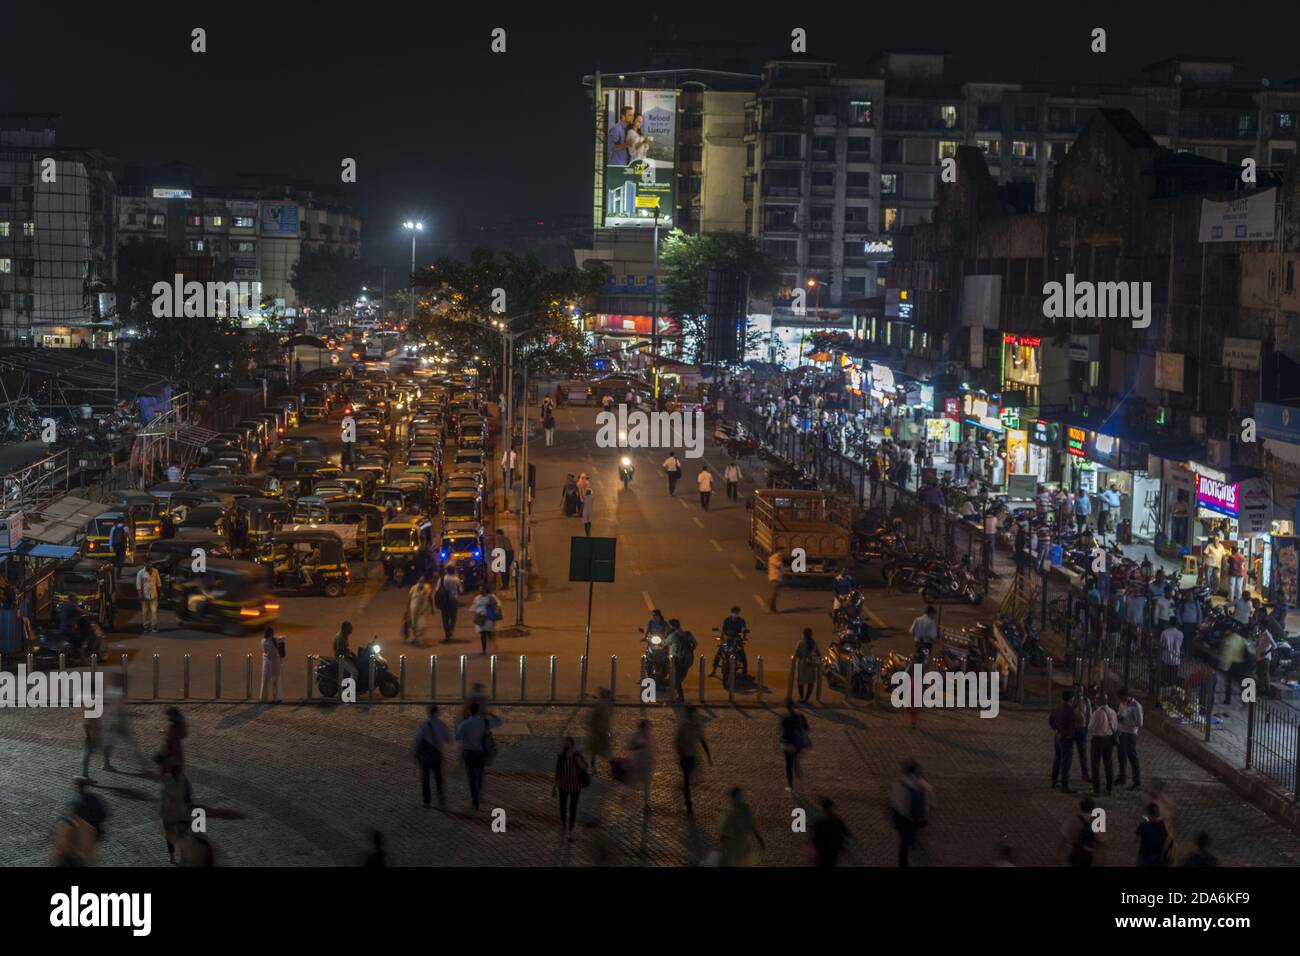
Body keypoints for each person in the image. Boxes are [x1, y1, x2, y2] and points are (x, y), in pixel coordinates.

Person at [454, 701, 501, 812]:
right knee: (479, 775)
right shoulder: (484, 723)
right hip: (480, 753)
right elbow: (499, 722)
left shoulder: (465, 724)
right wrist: (490, 713)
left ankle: (475, 802)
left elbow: (457, 737)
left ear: (469, 711)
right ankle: (479, 795)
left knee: (471, 777)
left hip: (469, 753)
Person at [889, 760, 931, 868]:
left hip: (903, 818)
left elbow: (894, 801)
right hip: (915, 819)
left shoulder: (900, 784)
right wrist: (924, 816)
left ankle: (904, 861)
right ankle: (911, 843)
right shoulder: (923, 785)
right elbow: (926, 802)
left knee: (903, 843)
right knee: (910, 837)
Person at [673, 707, 712, 815]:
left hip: (692, 757)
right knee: (687, 781)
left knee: (693, 779)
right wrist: (681, 753)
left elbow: (702, 740)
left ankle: (685, 791)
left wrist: (708, 756)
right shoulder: (684, 727)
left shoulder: (696, 726)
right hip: (686, 757)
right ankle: (689, 804)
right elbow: (677, 742)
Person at [412, 704, 450, 810]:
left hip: (425, 757)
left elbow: (417, 741)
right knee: (439, 778)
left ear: (428, 712)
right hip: (437, 755)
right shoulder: (443, 725)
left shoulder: (423, 725)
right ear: (437, 712)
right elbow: (447, 739)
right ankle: (441, 800)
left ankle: (426, 801)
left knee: (425, 778)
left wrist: (414, 753)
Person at [158, 755, 193, 864]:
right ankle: (183, 857)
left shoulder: (166, 780)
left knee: (170, 834)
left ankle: (172, 856)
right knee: (182, 835)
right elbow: (189, 797)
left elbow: (163, 798)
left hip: (169, 812)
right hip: (182, 811)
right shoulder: (185, 780)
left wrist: (162, 810)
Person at [553, 736, 590, 841]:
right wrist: (554, 787)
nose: (566, 745)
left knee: (573, 808)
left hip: (575, 786)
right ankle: (563, 822)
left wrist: (580, 763)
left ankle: (570, 830)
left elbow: (586, 767)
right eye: (565, 743)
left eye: (568, 743)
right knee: (562, 807)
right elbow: (558, 772)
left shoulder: (577, 755)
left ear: (572, 744)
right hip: (563, 785)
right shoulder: (561, 756)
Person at [716, 787, 765, 866]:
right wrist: (759, 839)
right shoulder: (745, 809)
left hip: (734, 847)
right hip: (743, 846)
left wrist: (721, 846)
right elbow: (752, 825)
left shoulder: (729, 812)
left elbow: (723, 833)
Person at [1087, 692, 1118, 795]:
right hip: (1109, 740)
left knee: (1095, 765)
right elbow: (1115, 726)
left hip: (1098, 740)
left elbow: (1090, 727)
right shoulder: (1112, 712)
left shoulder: (1097, 713)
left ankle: (1096, 789)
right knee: (1108, 763)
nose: (1094, 700)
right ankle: (1110, 788)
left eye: (1096, 699)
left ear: (1099, 701)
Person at [1048, 690, 1077, 792]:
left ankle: (1054, 780)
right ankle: (1065, 785)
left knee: (1057, 759)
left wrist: (1056, 728)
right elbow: (1074, 724)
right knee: (1066, 762)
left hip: (1058, 736)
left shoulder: (1057, 707)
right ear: (1071, 699)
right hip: (1066, 738)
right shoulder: (1070, 710)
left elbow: (1050, 720)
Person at [1115, 688, 1143, 790]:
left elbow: (1140, 723)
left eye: (1121, 698)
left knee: (1132, 757)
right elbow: (1120, 713)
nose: (1120, 700)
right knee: (1121, 756)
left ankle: (1137, 781)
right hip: (1121, 732)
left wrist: (1125, 722)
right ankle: (1122, 777)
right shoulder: (1122, 703)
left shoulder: (1136, 706)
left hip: (1130, 734)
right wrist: (1118, 718)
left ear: (1126, 696)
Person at [1062, 796, 1102, 867]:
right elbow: (1101, 841)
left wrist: (1059, 854)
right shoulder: (1095, 823)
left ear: (1080, 807)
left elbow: (1063, 838)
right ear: (1092, 808)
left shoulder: (1072, 820)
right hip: (1088, 855)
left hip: (1075, 854)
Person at [780, 700, 811, 790]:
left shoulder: (785, 718)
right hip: (797, 743)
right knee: (795, 756)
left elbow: (783, 731)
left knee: (788, 765)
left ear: (787, 707)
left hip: (788, 744)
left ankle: (790, 785)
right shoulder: (801, 716)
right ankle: (797, 766)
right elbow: (807, 728)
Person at [811, 798, 851, 868]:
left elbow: (815, 838)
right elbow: (846, 833)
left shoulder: (821, 822)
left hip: (823, 852)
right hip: (833, 852)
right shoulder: (838, 821)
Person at [711, 606, 749, 678]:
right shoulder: (727, 620)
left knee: (742, 654)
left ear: (739, 613)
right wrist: (723, 638)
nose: (735, 614)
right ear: (731, 613)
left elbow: (744, 630)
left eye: (737, 613)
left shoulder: (741, 621)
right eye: (734, 613)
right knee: (719, 653)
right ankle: (714, 670)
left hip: (737, 640)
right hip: (728, 640)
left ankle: (745, 671)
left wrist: (743, 638)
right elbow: (723, 630)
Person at [665, 619, 697, 698]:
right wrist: (690, 650)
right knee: (682, 675)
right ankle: (676, 689)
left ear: (672, 626)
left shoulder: (673, 635)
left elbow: (664, 643)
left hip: (677, 659)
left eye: (669, 626)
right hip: (688, 659)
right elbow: (695, 643)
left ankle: (680, 696)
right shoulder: (687, 633)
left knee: (677, 678)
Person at [586, 688, 614, 778]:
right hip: (602, 732)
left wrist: (590, 727)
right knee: (606, 751)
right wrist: (608, 730)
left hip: (598, 732)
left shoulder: (599, 705)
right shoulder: (607, 706)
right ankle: (611, 769)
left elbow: (591, 718)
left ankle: (593, 767)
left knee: (595, 751)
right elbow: (606, 721)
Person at [433, 565, 462, 642]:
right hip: (453, 600)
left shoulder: (442, 579)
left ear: (446, 571)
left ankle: (447, 634)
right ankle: (451, 630)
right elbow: (461, 590)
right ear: (453, 571)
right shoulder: (456, 579)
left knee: (445, 617)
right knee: (453, 617)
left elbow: (437, 590)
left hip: (444, 601)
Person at [470, 585, 501, 655]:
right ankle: (484, 650)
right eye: (479, 589)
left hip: (488, 618)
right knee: (482, 634)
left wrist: (496, 609)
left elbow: (498, 603)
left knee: (489, 633)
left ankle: (493, 647)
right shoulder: (477, 597)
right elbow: (474, 606)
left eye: (482, 589)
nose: (480, 591)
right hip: (480, 618)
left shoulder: (491, 596)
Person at [793, 629, 819, 702]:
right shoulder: (814, 643)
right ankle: (806, 699)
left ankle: (801, 697)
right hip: (812, 665)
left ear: (804, 634)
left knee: (800, 682)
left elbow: (796, 654)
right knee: (810, 682)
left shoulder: (800, 643)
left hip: (802, 665)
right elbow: (818, 653)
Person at [407, 576, 434, 644]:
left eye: (422, 582)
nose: (421, 584)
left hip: (423, 610)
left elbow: (430, 598)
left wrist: (432, 608)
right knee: (413, 624)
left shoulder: (427, 588)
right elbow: (409, 599)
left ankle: (419, 638)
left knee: (422, 624)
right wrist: (407, 610)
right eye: (420, 582)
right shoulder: (413, 588)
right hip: (413, 609)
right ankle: (416, 638)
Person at [136, 562, 161, 633]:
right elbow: (138, 584)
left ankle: (154, 626)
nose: (150, 565)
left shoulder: (155, 571)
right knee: (144, 612)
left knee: (154, 611)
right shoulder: (140, 573)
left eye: (151, 564)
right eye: (148, 564)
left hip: (154, 594)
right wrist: (139, 594)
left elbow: (158, 582)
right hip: (144, 596)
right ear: (145, 564)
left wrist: (161, 592)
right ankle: (146, 626)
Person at [259, 627, 283, 702]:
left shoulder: (263, 641)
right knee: (276, 680)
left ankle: (263, 698)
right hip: (275, 662)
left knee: (265, 680)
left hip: (266, 662)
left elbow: (265, 651)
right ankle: (276, 697)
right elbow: (279, 650)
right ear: (272, 633)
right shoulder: (275, 640)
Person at [1160, 619, 1184, 686]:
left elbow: (1162, 645)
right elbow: (1180, 645)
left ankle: (1165, 684)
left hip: (1166, 657)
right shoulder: (1181, 634)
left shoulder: (1164, 633)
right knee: (1173, 674)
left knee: (1165, 673)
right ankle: (1172, 684)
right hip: (1176, 657)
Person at [333, 621, 358, 685]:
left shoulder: (345, 635)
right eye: (350, 629)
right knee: (354, 672)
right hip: (340, 658)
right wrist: (349, 655)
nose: (351, 631)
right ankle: (350, 690)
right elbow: (340, 652)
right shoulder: (340, 638)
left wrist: (352, 653)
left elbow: (346, 648)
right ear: (345, 629)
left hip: (345, 657)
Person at [1256, 628, 1278, 698]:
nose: (1258, 625)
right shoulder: (1260, 633)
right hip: (1259, 657)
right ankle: (1261, 691)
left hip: (1265, 659)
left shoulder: (1268, 635)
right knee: (1260, 674)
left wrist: (1266, 653)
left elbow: (1274, 646)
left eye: (1260, 624)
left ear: (1262, 625)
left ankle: (1268, 692)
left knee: (1265, 675)